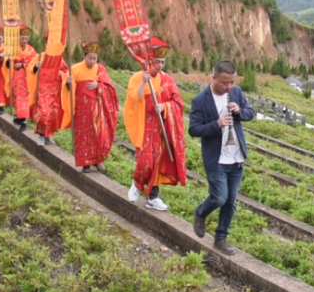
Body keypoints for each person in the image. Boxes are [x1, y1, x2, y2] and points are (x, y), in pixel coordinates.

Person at [188, 60, 254, 256]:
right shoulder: (200, 100)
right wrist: (216, 124)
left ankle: (221, 238)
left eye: (232, 82)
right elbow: (193, 129)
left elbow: (251, 113)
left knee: (231, 201)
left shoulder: (236, 93)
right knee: (219, 197)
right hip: (216, 159)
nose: (229, 87)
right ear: (213, 78)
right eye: (225, 83)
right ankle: (200, 212)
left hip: (236, 158)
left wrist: (240, 112)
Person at [124, 37, 186, 211]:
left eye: (163, 62)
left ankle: (153, 197)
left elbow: (178, 103)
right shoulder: (138, 77)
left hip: (160, 129)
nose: (160, 66)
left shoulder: (167, 80)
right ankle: (137, 184)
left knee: (157, 163)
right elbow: (132, 99)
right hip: (144, 126)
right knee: (146, 162)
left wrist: (165, 107)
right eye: (157, 62)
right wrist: (144, 82)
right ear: (149, 61)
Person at [63, 42, 119, 173]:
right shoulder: (75, 69)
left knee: (98, 133)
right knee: (83, 135)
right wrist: (68, 83)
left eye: (95, 58)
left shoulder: (100, 69)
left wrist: (98, 85)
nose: (93, 61)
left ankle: (97, 160)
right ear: (84, 56)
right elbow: (66, 88)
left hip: (97, 109)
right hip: (81, 109)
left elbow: (109, 86)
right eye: (90, 58)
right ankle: (85, 163)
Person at [33, 31, 71, 145]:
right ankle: (41, 135)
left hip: (55, 90)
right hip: (43, 88)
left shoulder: (60, 59)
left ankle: (48, 135)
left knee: (53, 114)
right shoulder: (41, 57)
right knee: (44, 112)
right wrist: (36, 67)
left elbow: (65, 71)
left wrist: (62, 76)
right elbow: (30, 70)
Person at [8, 25, 38, 133]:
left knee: (25, 98)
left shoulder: (31, 50)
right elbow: (9, 61)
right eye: (22, 38)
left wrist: (23, 64)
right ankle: (19, 117)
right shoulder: (13, 49)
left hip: (27, 78)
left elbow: (34, 62)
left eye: (26, 38)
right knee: (18, 97)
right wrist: (12, 64)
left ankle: (23, 120)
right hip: (16, 77)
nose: (24, 40)